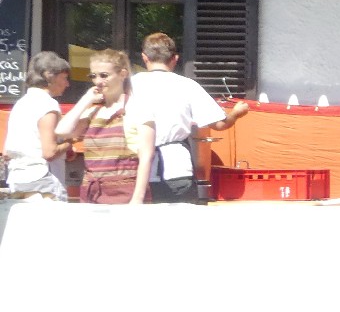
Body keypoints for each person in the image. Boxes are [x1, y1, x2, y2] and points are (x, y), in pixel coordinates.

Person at [125, 32, 249, 204]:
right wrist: (236, 113)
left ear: (144, 57)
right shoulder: (188, 85)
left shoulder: (131, 84)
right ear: (175, 59)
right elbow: (220, 124)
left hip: (134, 169)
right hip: (176, 168)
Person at [56, 50, 152, 204]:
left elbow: (146, 156)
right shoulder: (93, 111)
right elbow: (62, 131)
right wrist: (86, 99)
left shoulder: (137, 108)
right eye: (93, 76)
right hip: (92, 193)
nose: (98, 81)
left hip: (125, 192)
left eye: (104, 75)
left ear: (122, 74)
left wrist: (137, 199)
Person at [3, 51, 73, 199]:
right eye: (64, 78)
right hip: (43, 180)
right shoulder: (47, 104)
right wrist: (69, 143)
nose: (67, 84)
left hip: (17, 178)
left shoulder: (20, 104)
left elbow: (6, 152)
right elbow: (49, 152)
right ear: (49, 75)